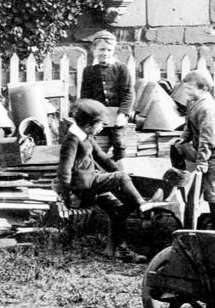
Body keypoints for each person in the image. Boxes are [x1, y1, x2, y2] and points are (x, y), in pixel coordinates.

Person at [57, 99, 159, 263]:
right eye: (101, 125)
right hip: (83, 186)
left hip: (90, 182)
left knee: (118, 208)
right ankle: (143, 203)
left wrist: (120, 171)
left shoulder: (87, 136)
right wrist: (66, 197)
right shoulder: (72, 140)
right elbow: (64, 171)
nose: (103, 128)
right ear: (89, 125)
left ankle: (117, 250)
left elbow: (102, 157)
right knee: (121, 178)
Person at [170, 71, 215, 230]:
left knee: (213, 192)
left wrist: (202, 162)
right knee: (175, 146)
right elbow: (189, 125)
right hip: (207, 151)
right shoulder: (194, 102)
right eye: (185, 89)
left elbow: (208, 138)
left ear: (204, 88)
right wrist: (184, 138)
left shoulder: (207, 108)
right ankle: (191, 223)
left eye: (190, 89)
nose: (187, 92)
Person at [79, 31, 133, 160]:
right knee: (90, 141)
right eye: (101, 49)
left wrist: (123, 114)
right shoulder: (89, 71)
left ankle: (119, 166)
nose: (105, 53)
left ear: (113, 51)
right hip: (98, 114)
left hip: (117, 114)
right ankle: (97, 167)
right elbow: (86, 96)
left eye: (109, 50)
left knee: (119, 141)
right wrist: (93, 117)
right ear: (94, 50)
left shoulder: (121, 69)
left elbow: (128, 93)